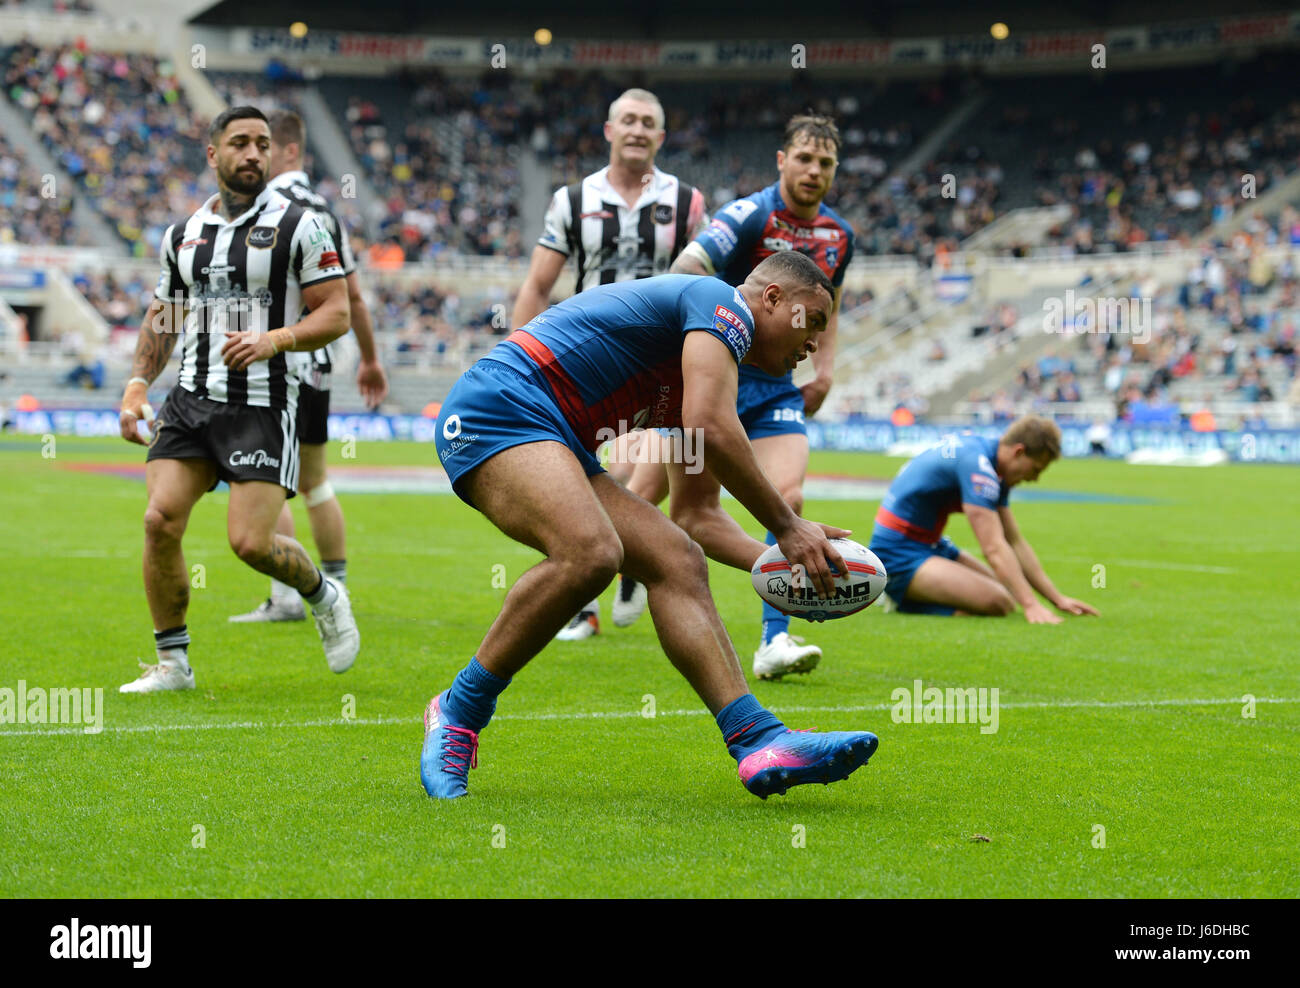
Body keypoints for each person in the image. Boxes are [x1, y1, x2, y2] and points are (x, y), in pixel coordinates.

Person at [425, 251, 878, 800]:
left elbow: (699, 517)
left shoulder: (702, 368)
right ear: (774, 299)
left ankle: (758, 740)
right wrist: (787, 527)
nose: (814, 344)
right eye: (814, 321)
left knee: (676, 559)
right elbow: (709, 426)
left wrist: (791, 565)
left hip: (553, 437)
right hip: (496, 410)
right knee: (591, 552)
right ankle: (457, 711)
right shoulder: (720, 304)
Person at [117, 106, 360, 693]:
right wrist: (136, 385)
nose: (253, 154)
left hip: (264, 403)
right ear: (213, 154)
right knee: (158, 520)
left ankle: (323, 594)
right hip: (191, 399)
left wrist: (274, 338)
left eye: (262, 144)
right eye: (240, 143)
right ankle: (173, 664)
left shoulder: (301, 225)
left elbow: (337, 312)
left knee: (250, 543)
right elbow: (165, 315)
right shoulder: (183, 235)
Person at [650, 113, 854, 680]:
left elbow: (827, 304)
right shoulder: (748, 214)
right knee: (654, 502)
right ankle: (604, 583)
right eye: (805, 158)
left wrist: (826, 368)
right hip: (715, 372)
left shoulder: (839, 236)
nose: (814, 171)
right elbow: (688, 267)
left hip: (776, 387)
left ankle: (775, 638)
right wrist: (704, 329)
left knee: (787, 494)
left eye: (826, 163)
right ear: (782, 160)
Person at [511, 87, 707, 640]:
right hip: (588, 356)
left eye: (649, 122)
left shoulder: (687, 202)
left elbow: (706, 281)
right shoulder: (572, 200)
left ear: (661, 137)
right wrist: (519, 354)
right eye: (629, 120)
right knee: (584, 474)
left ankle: (622, 565)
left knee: (658, 466)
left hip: (661, 361)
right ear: (608, 130)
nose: (638, 130)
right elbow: (538, 284)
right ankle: (607, 581)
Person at [229, 109, 389, 623]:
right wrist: (369, 359)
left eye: (263, 145)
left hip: (276, 362)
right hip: (317, 361)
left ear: (288, 149)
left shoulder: (269, 207)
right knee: (315, 480)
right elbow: (354, 298)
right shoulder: (325, 209)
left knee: (260, 473)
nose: (253, 156)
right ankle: (335, 590)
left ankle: (290, 595)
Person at [868, 416, 1100, 623]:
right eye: (1035, 469)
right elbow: (994, 548)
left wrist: (1057, 599)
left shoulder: (988, 460)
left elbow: (1014, 541)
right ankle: (900, 598)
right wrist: (1031, 606)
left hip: (931, 545)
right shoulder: (978, 467)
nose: (1035, 479)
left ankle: (919, 591)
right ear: (1018, 452)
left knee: (1008, 591)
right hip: (898, 554)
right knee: (998, 601)